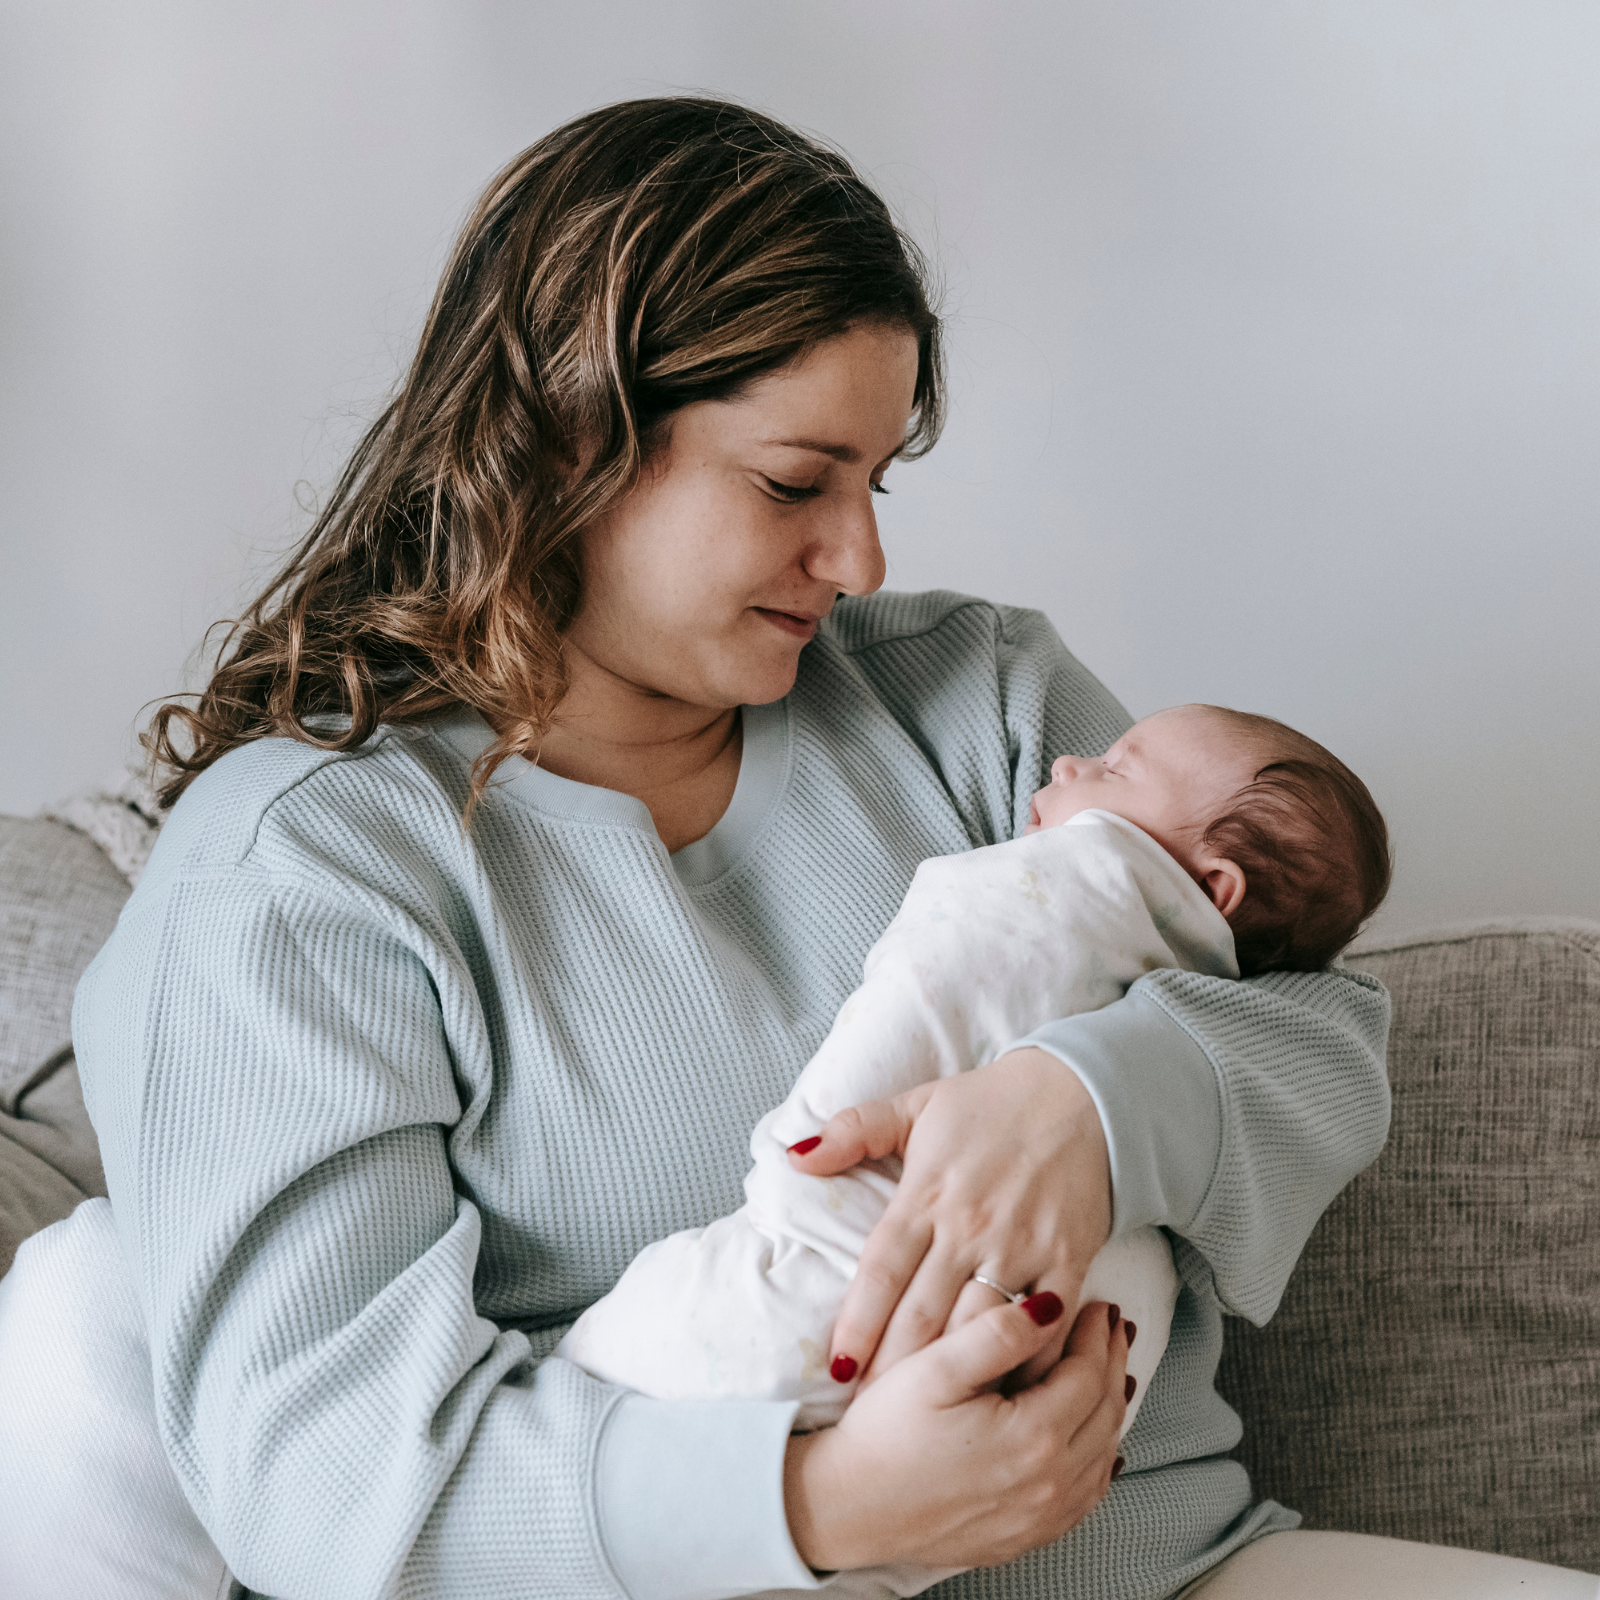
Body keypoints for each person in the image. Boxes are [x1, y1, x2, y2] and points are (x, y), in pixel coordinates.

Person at [52, 96, 1579, 1600]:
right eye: (796, 484)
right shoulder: (308, 875)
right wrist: (818, 1501)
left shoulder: (977, 703)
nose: (860, 561)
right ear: (570, 440)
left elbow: (1323, 1035)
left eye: (874, 483)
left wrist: (1097, 1106)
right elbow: (324, 1479)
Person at [556, 700, 1389, 1436]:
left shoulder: (1006, 725)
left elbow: (1343, 1040)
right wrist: (831, 1506)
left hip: (1129, 1516)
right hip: (726, 1501)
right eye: (791, 505)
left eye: (1112, 768)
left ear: (1215, 889)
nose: (1072, 762)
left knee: (630, 1338)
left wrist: (1088, 1100)